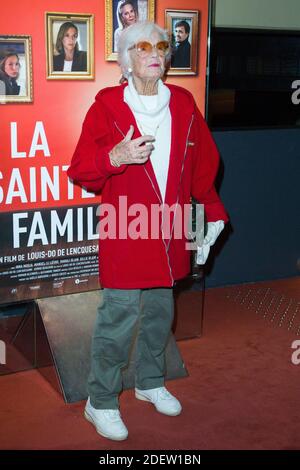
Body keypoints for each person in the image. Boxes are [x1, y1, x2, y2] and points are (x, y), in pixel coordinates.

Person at [67, 21, 229, 441]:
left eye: (160, 46)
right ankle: (99, 401)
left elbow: (202, 164)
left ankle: (150, 381)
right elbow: (81, 169)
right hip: (125, 225)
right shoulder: (107, 105)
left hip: (171, 225)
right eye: (142, 46)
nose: (154, 52)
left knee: (160, 312)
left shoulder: (183, 103)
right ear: (126, 58)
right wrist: (114, 156)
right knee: (117, 318)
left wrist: (211, 206)